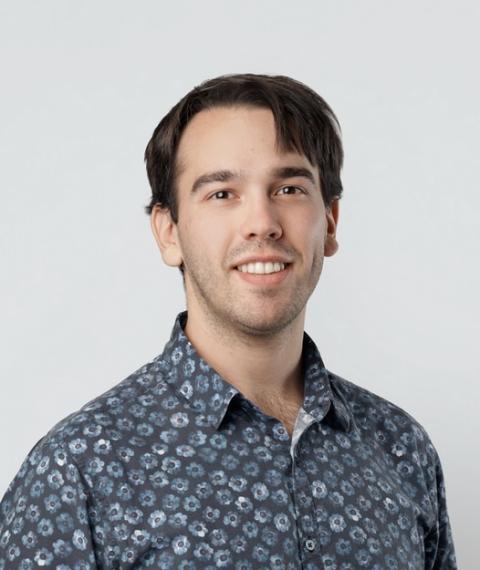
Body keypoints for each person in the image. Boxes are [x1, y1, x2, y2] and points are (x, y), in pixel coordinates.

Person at [0, 73, 457, 569]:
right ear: (169, 232)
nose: (262, 222)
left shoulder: (401, 449)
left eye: (288, 188)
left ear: (329, 222)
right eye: (222, 193)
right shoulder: (78, 470)